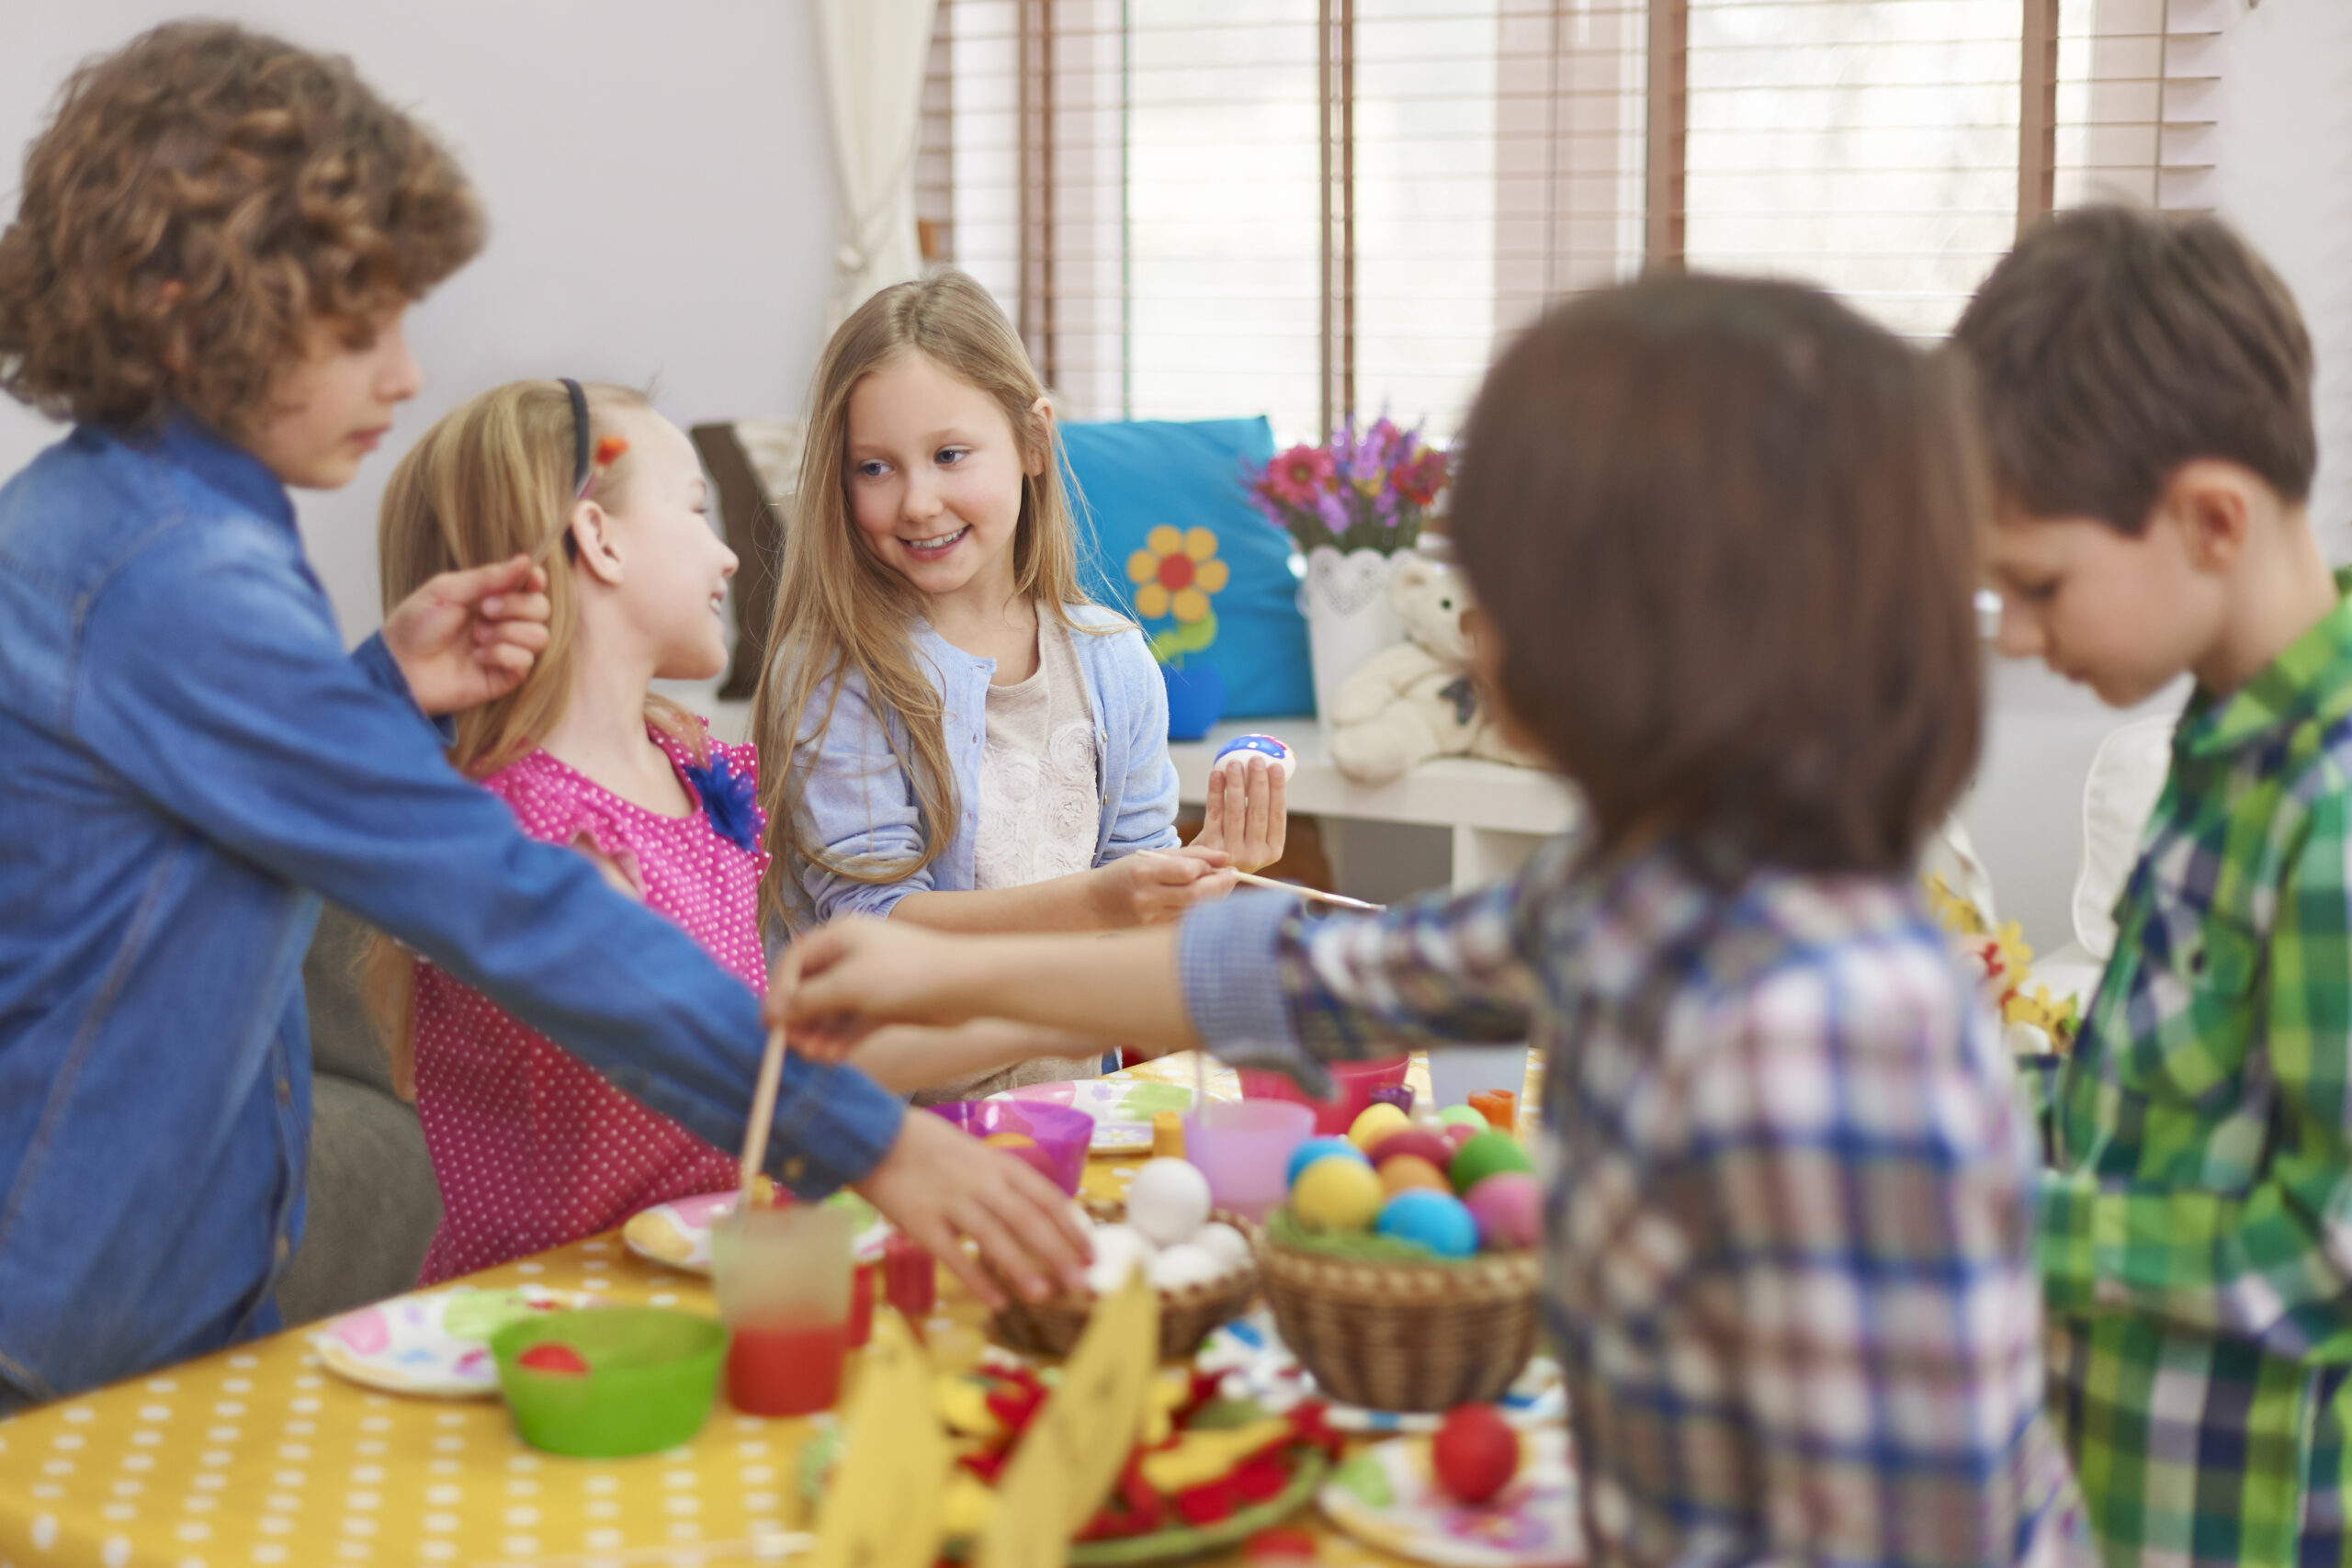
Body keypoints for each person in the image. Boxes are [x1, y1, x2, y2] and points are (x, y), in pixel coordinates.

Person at [774, 275, 2084, 1565]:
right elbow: (1308, 977)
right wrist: (931, 955)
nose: (1465, 621)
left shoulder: (1812, 995)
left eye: (1499, 577)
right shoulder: (1643, 895)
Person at [0, 22, 1080, 1409]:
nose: (401, 373)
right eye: (357, 327)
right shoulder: (174, 572)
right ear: (183, 306)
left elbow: (181, 819)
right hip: (75, 1297)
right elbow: (503, 899)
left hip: (156, 1268)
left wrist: (369, 697)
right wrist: (863, 1136)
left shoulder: (153, 519)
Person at [368, 380, 1111, 1281]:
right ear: (597, 539)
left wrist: (1083, 999)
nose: (727, 556)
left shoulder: (687, 767)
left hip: (714, 1281)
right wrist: (1097, 987)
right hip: (552, 1315)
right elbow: (722, 1062)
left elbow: (791, 1056)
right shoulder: (517, 834)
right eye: (692, 508)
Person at [1959, 206, 2351, 1566]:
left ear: (2212, 519)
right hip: (2108, 1489)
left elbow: (2322, 1249)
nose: (2014, 631)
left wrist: (1997, 1221)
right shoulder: (2213, 737)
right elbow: (2140, 1111)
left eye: (2038, 582)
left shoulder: (2336, 811)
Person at [752, 268, 1285, 1100]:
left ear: (1035, 441)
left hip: (1071, 1115)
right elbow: (873, 924)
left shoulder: (1113, 663)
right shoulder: (836, 671)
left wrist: (1211, 873)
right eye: (875, 468)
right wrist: (1108, 901)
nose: (918, 501)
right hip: (884, 1130)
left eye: (950, 455)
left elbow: (1141, 928)